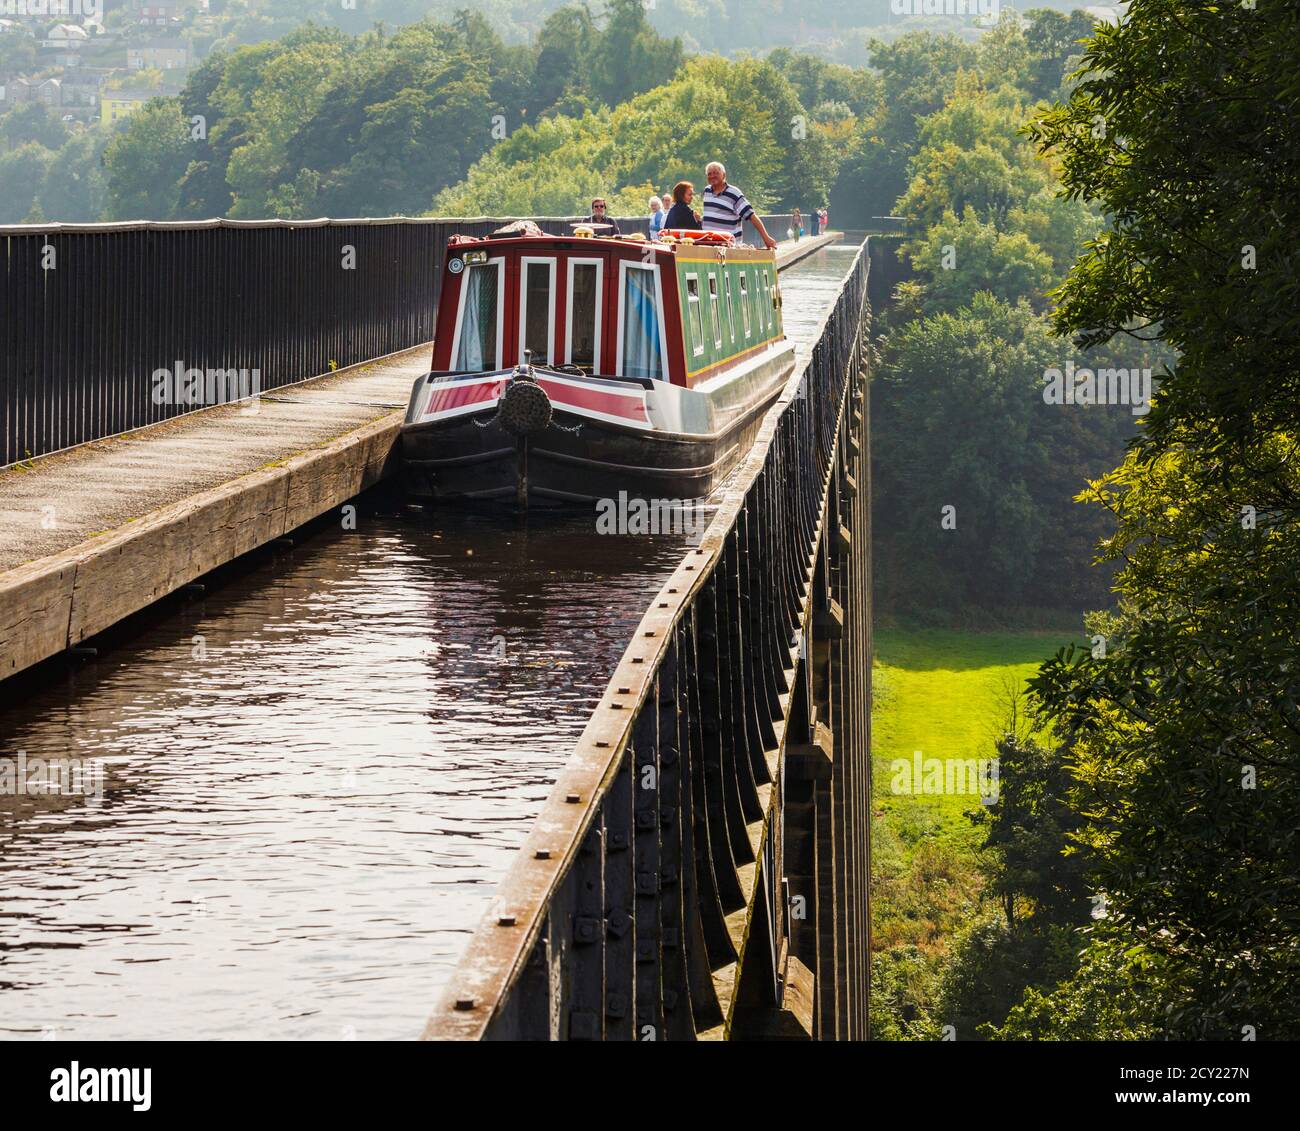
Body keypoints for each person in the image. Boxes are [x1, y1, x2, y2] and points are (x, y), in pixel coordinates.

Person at [703, 162, 777, 249]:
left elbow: (751, 216)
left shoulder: (734, 193)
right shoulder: (707, 191)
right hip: (708, 244)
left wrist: (766, 238)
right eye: (709, 174)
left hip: (729, 246)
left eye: (716, 173)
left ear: (724, 175)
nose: (712, 176)